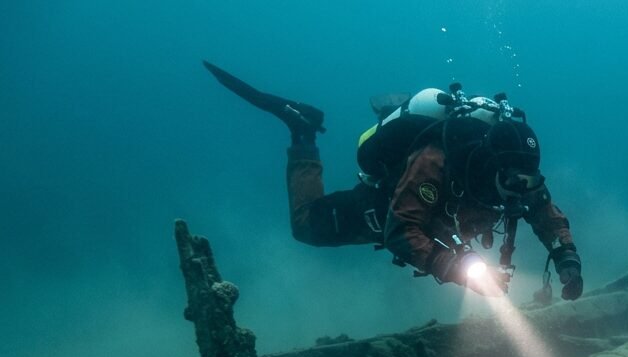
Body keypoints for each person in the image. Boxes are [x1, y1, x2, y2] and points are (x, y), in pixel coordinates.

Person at [204, 62, 583, 300]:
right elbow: (400, 231)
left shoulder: (521, 178)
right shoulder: (436, 162)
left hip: (443, 219)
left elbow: (546, 214)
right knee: (306, 226)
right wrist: (455, 268)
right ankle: (302, 131)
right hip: (384, 209)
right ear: (490, 165)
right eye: (514, 183)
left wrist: (566, 257)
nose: (521, 194)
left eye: (528, 182)